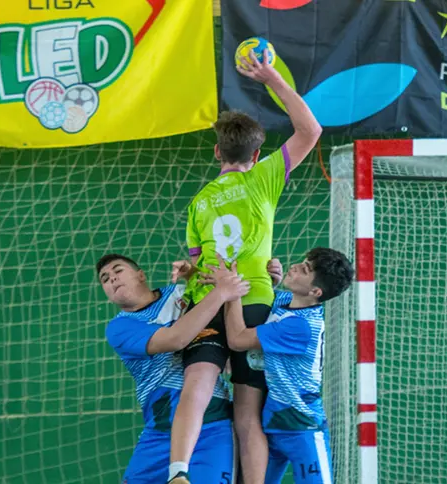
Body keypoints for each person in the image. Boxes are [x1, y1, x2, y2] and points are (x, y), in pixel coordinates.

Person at [169, 48, 323, 484]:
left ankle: (179, 470)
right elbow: (310, 129)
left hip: (206, 305)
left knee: (197, 388)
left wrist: (189, 275)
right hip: (253, 301)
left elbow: (198, 265)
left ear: (217, 151)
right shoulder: (262, 178)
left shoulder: (199, 202)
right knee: (247, 416)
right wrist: (271, 77)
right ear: (256, 156)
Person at [206, 248, 354, 484]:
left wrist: (231, 293)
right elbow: (263, 307)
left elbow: (237, 340)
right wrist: (270, 282)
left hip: (302, 427)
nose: (295, 266)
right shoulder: (285, 302)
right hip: (273, 422)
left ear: (315, 291)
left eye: (305, 269)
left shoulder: (302, 326)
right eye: (302, 262)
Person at [97, 253, 248, 483]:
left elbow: (234, 302)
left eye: (118, 271)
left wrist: (269, 278)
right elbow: (176, 339)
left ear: (141, 275)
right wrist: (220, 293)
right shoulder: (120, 327)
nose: (112, 279)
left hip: (213, 422)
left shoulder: (181, 293)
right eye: (105, 279)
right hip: (161, 428)